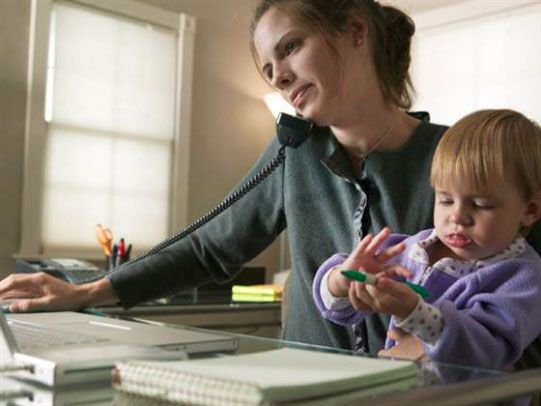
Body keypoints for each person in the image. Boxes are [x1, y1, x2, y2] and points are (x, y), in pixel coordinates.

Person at [0, 0, 539, 364]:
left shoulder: (463, 160)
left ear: (355, 31)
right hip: (302, 388)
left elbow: (523, 302)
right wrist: (86, 292)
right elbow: (209, 250)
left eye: (290, 47)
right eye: (267, 67)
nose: (278, 76)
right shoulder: (292, 153)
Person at [313, 109, 541, 369]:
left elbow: (484, 348)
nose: (457, 217)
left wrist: (415, 313)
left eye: (480, 205)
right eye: (445, 200)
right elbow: (338, 309)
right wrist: (341, 280)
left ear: (530, 210)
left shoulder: (524, 278)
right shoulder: (412, 249)